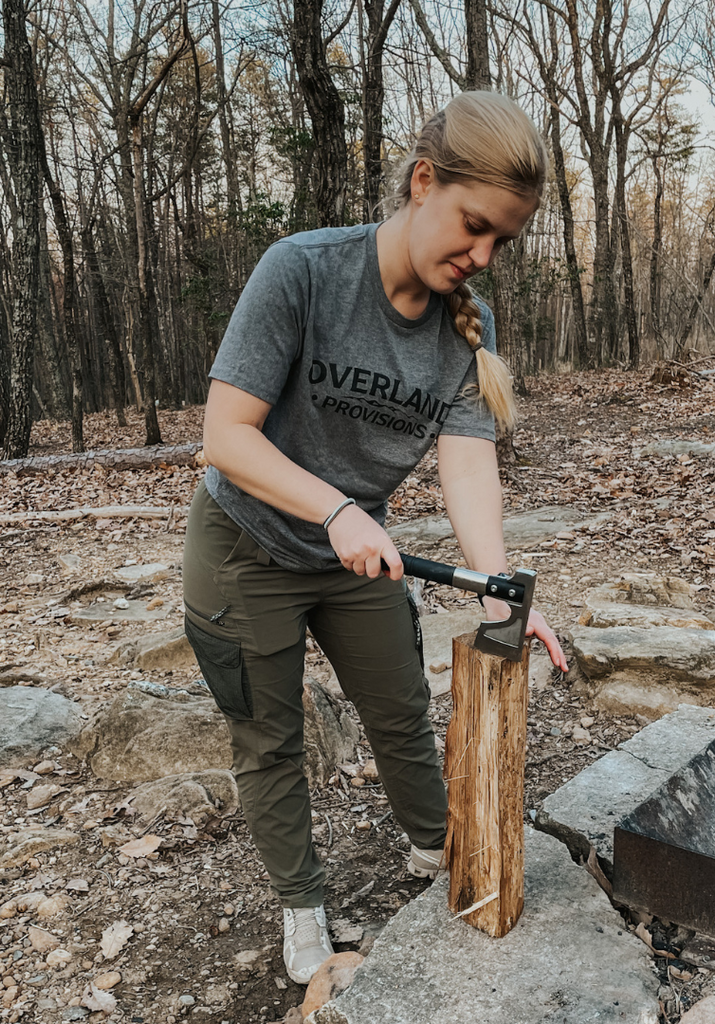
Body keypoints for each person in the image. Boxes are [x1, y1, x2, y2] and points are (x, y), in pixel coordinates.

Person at [182, 90, 569, 986]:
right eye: (473, 227)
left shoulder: (462, 324)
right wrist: (337, 508)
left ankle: (440, 848)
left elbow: (467, 466)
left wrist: (499, 581)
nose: (481, 257)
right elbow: (224, 435)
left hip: (359, 554)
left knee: (400, 709)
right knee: (270, 737)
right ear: (422, 182)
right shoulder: (304, 270)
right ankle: (304, 909)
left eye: (501, 242)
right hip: (247, 547)